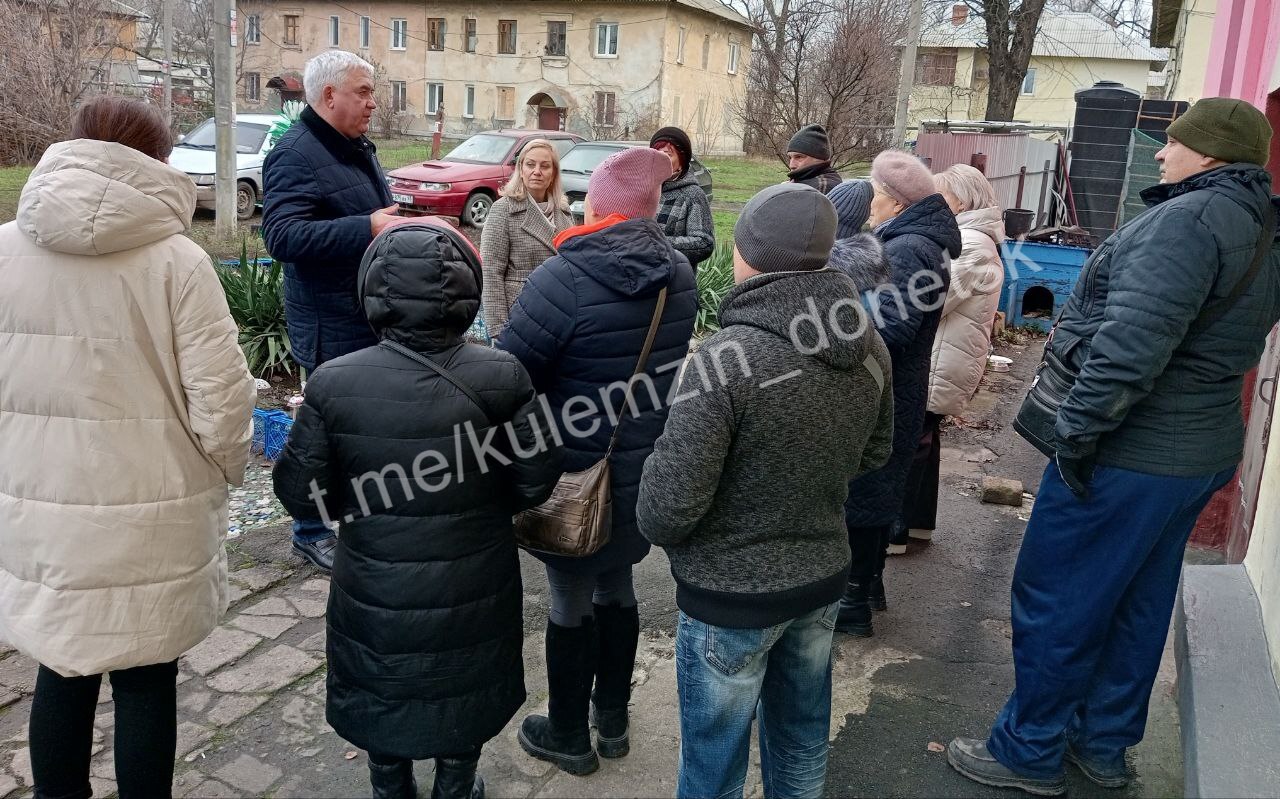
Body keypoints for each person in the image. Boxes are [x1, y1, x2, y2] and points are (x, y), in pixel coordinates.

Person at [948, 98, 1280, 796]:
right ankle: (1101, 744)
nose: (1160, 152)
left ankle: (1029, 750)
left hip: (1131, 452)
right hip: (1194, 453)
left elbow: (1130, 349)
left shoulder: (1187, 222)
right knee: (1136, 601)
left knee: (1059, 598)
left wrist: (1076, 435)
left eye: (1173, 142)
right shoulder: (1259, 224)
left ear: (1210, 153)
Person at [0, 95, 256, 798]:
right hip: (155, 507)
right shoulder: (178, 263)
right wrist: (228, 468)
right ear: (158, 159)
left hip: (40, 506)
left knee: (60, 667)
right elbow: (222, 399)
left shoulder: (3, 250)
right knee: (147, 676)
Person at [273, 217, 563, 799]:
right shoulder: (501, 374)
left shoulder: (333, 382)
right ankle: (456, 786)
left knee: (382, 684)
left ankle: (390, 787)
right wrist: (482, 502)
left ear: (373, 293)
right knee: (464, 684)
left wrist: (363, 503)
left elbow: (301, 493)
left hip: (374, 580)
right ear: (466, 291)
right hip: (475, 574)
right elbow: (537, 480)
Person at [636, 184, 895, 798]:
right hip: (820, 577)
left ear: (745, 253)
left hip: (730, 596)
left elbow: (667, 509)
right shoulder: (868, 345)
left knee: (714, 766)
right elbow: (876, 452)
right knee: (801, 739)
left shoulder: (726, 358)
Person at [497, 147, 698, 776]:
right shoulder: (679, 275)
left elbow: (510, 374)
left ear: (597, 209)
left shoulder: (562, 278)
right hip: (642, 463)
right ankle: (611, 721)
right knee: (618, 584)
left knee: (568, 595)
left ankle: (566, 733)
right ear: (651, 210)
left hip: (573, 467)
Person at [261, 49, 401, 573]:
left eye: (371, 92)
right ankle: (310, 531)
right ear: (328, 96)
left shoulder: (351, 145)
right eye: (363, 92)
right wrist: (368, 226)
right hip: (330, 324)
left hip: (366, 315)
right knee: (326, 435)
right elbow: (282, 237)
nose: (372, 102)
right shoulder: (296, 154)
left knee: (366, 432)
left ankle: (364, 521)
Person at [839, 150, 961, 637]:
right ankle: (867, 588)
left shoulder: (908, 248)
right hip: (896, 388)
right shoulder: (915, 242)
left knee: (866, 492)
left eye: (875, 196)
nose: (869, 204)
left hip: (885, 390)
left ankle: (851, 603)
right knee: (874, 489)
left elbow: (891, 327)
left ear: (896, 203)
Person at [898, 165, 1006, 545]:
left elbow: (933, 301)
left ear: (960, 200)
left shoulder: (971, 244)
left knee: (910, 443)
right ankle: (918, 524)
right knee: (925, 441)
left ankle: (895, 532)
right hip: (948, 356)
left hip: (941, 360)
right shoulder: (977, 241)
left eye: (941, 196)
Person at [480, 139, 574, 336]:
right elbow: (491, 272)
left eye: (545, 166)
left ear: (553, 174)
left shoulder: (564, 212)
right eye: (530, 164)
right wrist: (498, 330)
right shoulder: (503, 210)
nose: (537, 171)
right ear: (521, 170)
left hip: (560, 317)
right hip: (520, 315)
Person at [650, 126, 715, 269]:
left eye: (667, 155)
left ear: (682, 160)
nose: (661, 160)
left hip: (674, 278)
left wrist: (658, 244)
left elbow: (704, 243)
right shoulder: (645, 189)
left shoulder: (693, 194)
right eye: (656, 154)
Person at [785, 124, 843, 194]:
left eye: (799, 157)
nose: (791, 165)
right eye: (790, 158)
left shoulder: (821, 188)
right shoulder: (802, 180)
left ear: (819, 157)